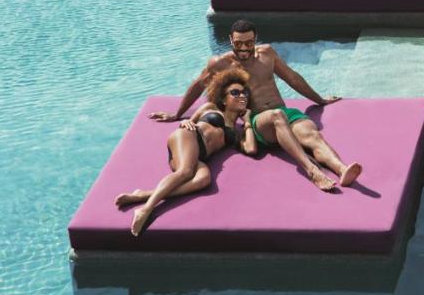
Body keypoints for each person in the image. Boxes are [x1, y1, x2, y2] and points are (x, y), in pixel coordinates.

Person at [149, 19, 361, 192]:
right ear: (230, 40)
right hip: (259, 121)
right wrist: (177, 114)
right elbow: (198, 85)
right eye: (238, 43)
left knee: (313, 137)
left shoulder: (267, 54)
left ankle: (342, 169)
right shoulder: (221, 63)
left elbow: (293, 78)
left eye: (248, 43)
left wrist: (320, 100)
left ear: (255, 39)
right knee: (277, 116)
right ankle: (312, 171)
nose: (243, 48)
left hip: (284, 113)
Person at [117, 68, 259, 236]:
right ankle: (146, 209)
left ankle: (143, 195)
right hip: (189, 137)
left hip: (198, 156)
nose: (242, 96)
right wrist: (183, 122)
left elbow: (251, 149)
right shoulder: (211, 107)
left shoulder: (237, 132)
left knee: (204, 179)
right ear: (224, 99)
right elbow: (188, 123)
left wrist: (248, 121)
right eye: (235, 92)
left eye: (244, 93)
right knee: (186, 172)